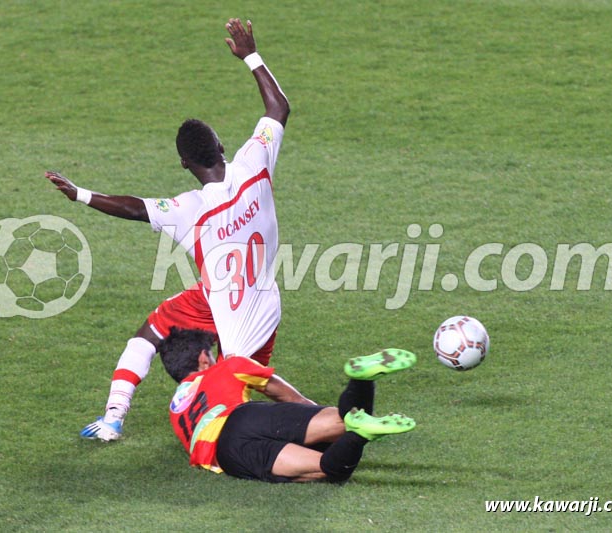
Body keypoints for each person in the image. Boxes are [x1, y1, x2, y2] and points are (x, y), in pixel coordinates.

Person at [44, 18, 290, 441]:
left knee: (225, 397)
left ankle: (114, 420)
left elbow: (135, 209)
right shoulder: (254, 163)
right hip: (262, 302)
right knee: (243, 375)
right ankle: (314, 419)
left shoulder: (187, 209)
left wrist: (80, 194)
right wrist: (250, 54)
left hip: (227, 304)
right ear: (222, 148)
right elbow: (278, 108)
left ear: (184, 164)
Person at [159, 328, 417, 483]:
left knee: (331, 468)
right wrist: (322, 422)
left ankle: (361, 433)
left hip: (229, 454)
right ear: (204, 358)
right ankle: (361, 380)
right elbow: (293, 399)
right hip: (246, 417)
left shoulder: (175, 409)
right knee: (343, 421)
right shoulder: (229, 366)